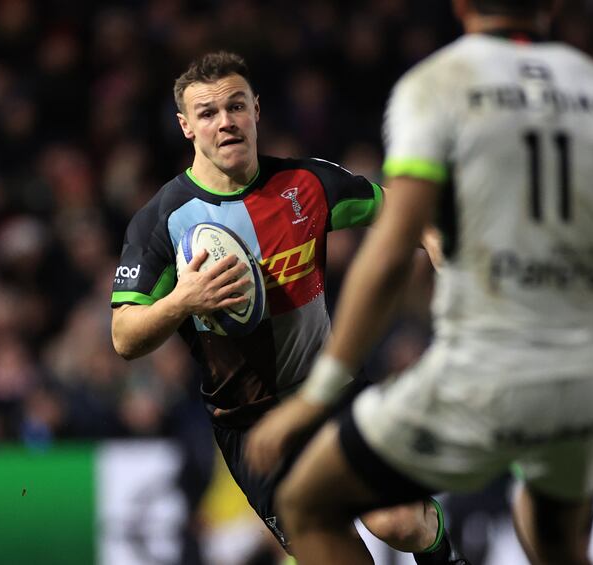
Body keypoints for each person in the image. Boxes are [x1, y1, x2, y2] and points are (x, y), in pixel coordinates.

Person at [245, 1, 593, 564]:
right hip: (582, 377)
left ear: (459, 6)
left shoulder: (437, 86)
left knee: (307, 501)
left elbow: (387, 251)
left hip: (478, 369)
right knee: (555, 542)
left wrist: (316, 393)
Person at [110, 51, 468, 564]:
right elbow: (123, 337)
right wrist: (183, 300)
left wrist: (442, 256)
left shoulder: (308, 185)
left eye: (236, 106)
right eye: (208, 113)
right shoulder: (160, 222)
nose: (225, 121)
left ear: (256, 110)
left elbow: (407, 214)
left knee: (399, 520)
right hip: (251, 427)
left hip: (331, 393)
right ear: (186, 127)